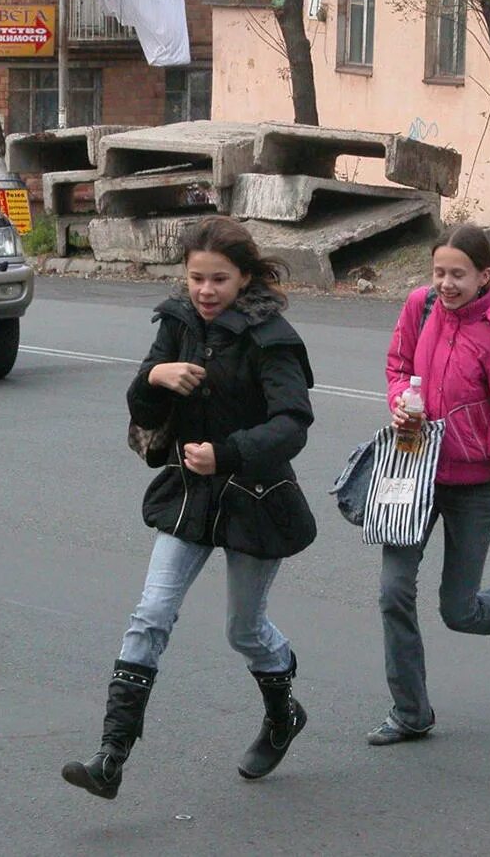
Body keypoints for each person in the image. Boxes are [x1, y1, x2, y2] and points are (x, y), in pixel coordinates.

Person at [61, 216, 317, 799]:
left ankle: (284, 715)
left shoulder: (271, 337)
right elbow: (146, 414)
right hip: (188, 497)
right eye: (197, 278)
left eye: (219, 280)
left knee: (245, 631)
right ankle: (111, 756)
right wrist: (155, 374)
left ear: (245, 278)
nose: (205, 291)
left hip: (254, 497)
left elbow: (293, 424)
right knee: (151, 614)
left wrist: (227, 454)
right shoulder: (176, 322)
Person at [369, 223, 490, 747]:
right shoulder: (420, 307)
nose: (446, 284)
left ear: (484, 276)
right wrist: (401, 400)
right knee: (392, 592)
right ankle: (411, 712)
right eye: (439, 272)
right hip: (413, 471)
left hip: (471, 485)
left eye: (458, 275)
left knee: (459, 611)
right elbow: (399, 365)